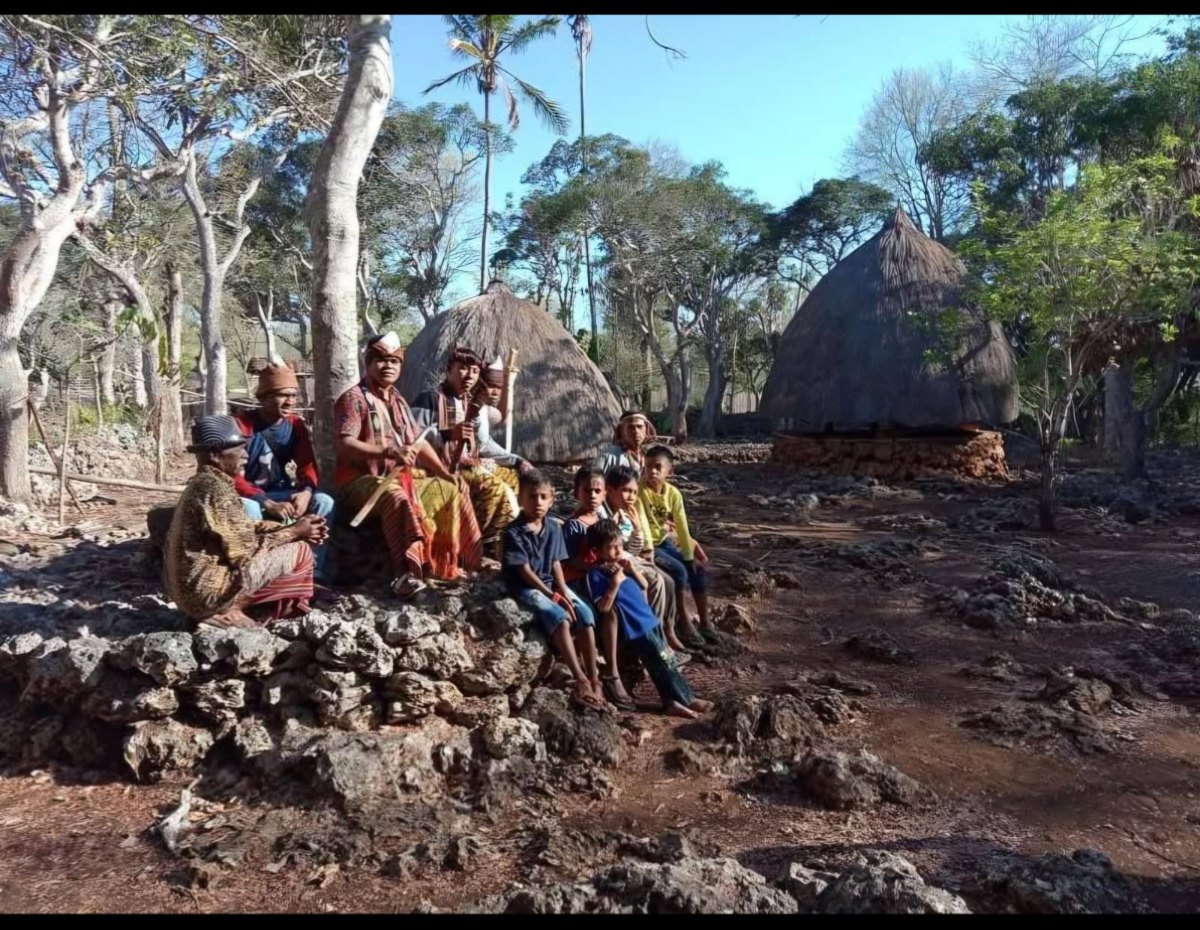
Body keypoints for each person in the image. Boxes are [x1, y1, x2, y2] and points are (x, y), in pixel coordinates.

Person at [333, 332, 482, 596]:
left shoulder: (399, 401)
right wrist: (387, 452)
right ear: (367, 363)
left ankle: (450, 562)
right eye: (380, 360)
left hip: (400, 475)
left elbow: (419, 443)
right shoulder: (353, 398)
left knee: (451, 488)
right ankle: (406, 572)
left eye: (394, 361)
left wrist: (445, 473)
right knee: (396, 496)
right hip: (358, 481)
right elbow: (345, 444)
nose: (388, 366)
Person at [164, 415, 327, 629]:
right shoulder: (215, 491)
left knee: (292, 542)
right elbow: (244, 551)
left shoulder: (205, 484)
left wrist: (290, 527)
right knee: (301, 552)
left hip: (190, 595)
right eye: (239, 449)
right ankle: (230, 609)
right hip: (205, 598)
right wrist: (294, 533)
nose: (245, 455)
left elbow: (243, 527)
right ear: (215, 455)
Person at [502, 470, 609, 714]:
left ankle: (595, 680)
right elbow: (525, 571)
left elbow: (557, 564)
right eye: (531, 497)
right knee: (560, 618)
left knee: (586, 616)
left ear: (552, 500)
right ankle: (580, 678)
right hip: (527, 587)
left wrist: (563, 590)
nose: (537, 502)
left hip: (551, 584)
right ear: (521, 499)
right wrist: (553, 596)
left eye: (543, 497)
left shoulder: (552, 527)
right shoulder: (513, 532)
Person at [585, 519, 712, 719]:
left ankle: (678, 699)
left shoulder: (620, 565)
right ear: (596, 550)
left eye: (620, 545)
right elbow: (604, 607)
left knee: (667, 660)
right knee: (660, 662)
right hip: (635, 625)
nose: (618, 551)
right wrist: (615, 583)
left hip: (649, 619)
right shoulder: (595, 575)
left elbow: (644, 585)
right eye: (612, 548)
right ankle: (681, 701)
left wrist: (631, 570)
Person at [411, 346, 527, 551]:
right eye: (463, 368)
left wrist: (515, 460)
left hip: (467, 465)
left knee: (517, 480)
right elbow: (415, 440)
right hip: (436, 469)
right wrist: (448, 435)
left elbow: (493, 427)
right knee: (495, 489)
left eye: (474, 371)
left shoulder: (469, 404)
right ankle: (475, 547)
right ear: (449, 370)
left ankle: (504, 546)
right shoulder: (429, 398)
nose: (469, 376)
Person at [563, 466, 681, 667]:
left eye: (597, 491)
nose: (592, 495)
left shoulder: (605, 518)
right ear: (577, 493)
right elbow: (571, 559)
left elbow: (620, 548)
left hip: (612, 567)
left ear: (604, 493)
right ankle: (636, 652)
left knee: (657, 583)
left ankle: (657, 640)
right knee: (628, 599)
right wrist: (602, 565)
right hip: (595, 578)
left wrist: (632, 541)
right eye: (587, 491)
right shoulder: (575, 525)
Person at [233, 362, 334, 580]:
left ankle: (313, 568)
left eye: (293, 395)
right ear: (265, 397)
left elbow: (307, 464)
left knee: (324, 501)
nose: (290, 401)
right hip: (250, 495)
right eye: (282, 395)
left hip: (280, 491)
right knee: (248, 508)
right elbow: (232, 476)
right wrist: (266, 503)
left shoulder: (295, 425)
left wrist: (306, 491)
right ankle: (254, 571)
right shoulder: (243, 425)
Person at [604, 464, 699, 653]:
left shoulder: (624, 515)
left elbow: (632, 547)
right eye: (626, 491)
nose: (631, 496)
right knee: (656, 581)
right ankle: (652, 639)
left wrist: (637, 528)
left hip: (628, 557)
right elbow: (614, 551)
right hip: (614, 563)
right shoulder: (605, 515)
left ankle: (666, 630)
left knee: (670, 582)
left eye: (633, 492)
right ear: (610, 490)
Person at [640, 444, 713, 639]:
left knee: (697, 570)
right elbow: (644, 525)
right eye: (648, 467)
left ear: (669, 470)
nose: (652, 472)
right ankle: (683, 619)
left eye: (657, 467)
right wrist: (648, 549)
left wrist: (689, 555)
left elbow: (681, 525)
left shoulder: (673, 493)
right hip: (647, 545)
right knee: (679, 572)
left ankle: (705, 622)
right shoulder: (639, 490)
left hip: (663, 542)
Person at [594, 411, 656, 477]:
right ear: (621, 430)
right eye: (630, 427)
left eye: (639, 427)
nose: (636, 431)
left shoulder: (651, 456)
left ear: (646, 430)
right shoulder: (608, 456)